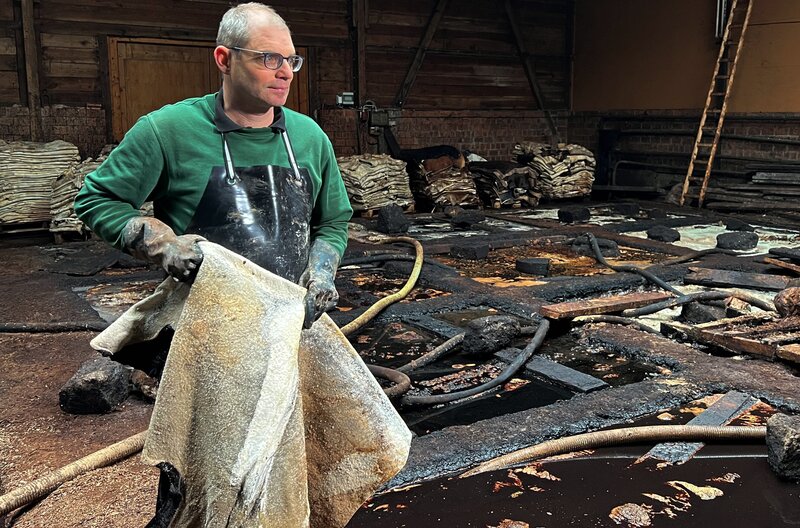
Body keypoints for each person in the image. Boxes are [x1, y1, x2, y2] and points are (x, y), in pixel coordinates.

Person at [73, 3, 353, 526]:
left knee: (282, 460)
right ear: (224, 58)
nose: (284, 72)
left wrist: (322, 271)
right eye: (269, 58)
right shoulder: (168, 130)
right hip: (206, 339)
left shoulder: (309, 138)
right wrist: (161, 242)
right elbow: (97, 200)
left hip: (288, 328)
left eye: (292, 60)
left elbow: (333, 221)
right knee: (202, 473)